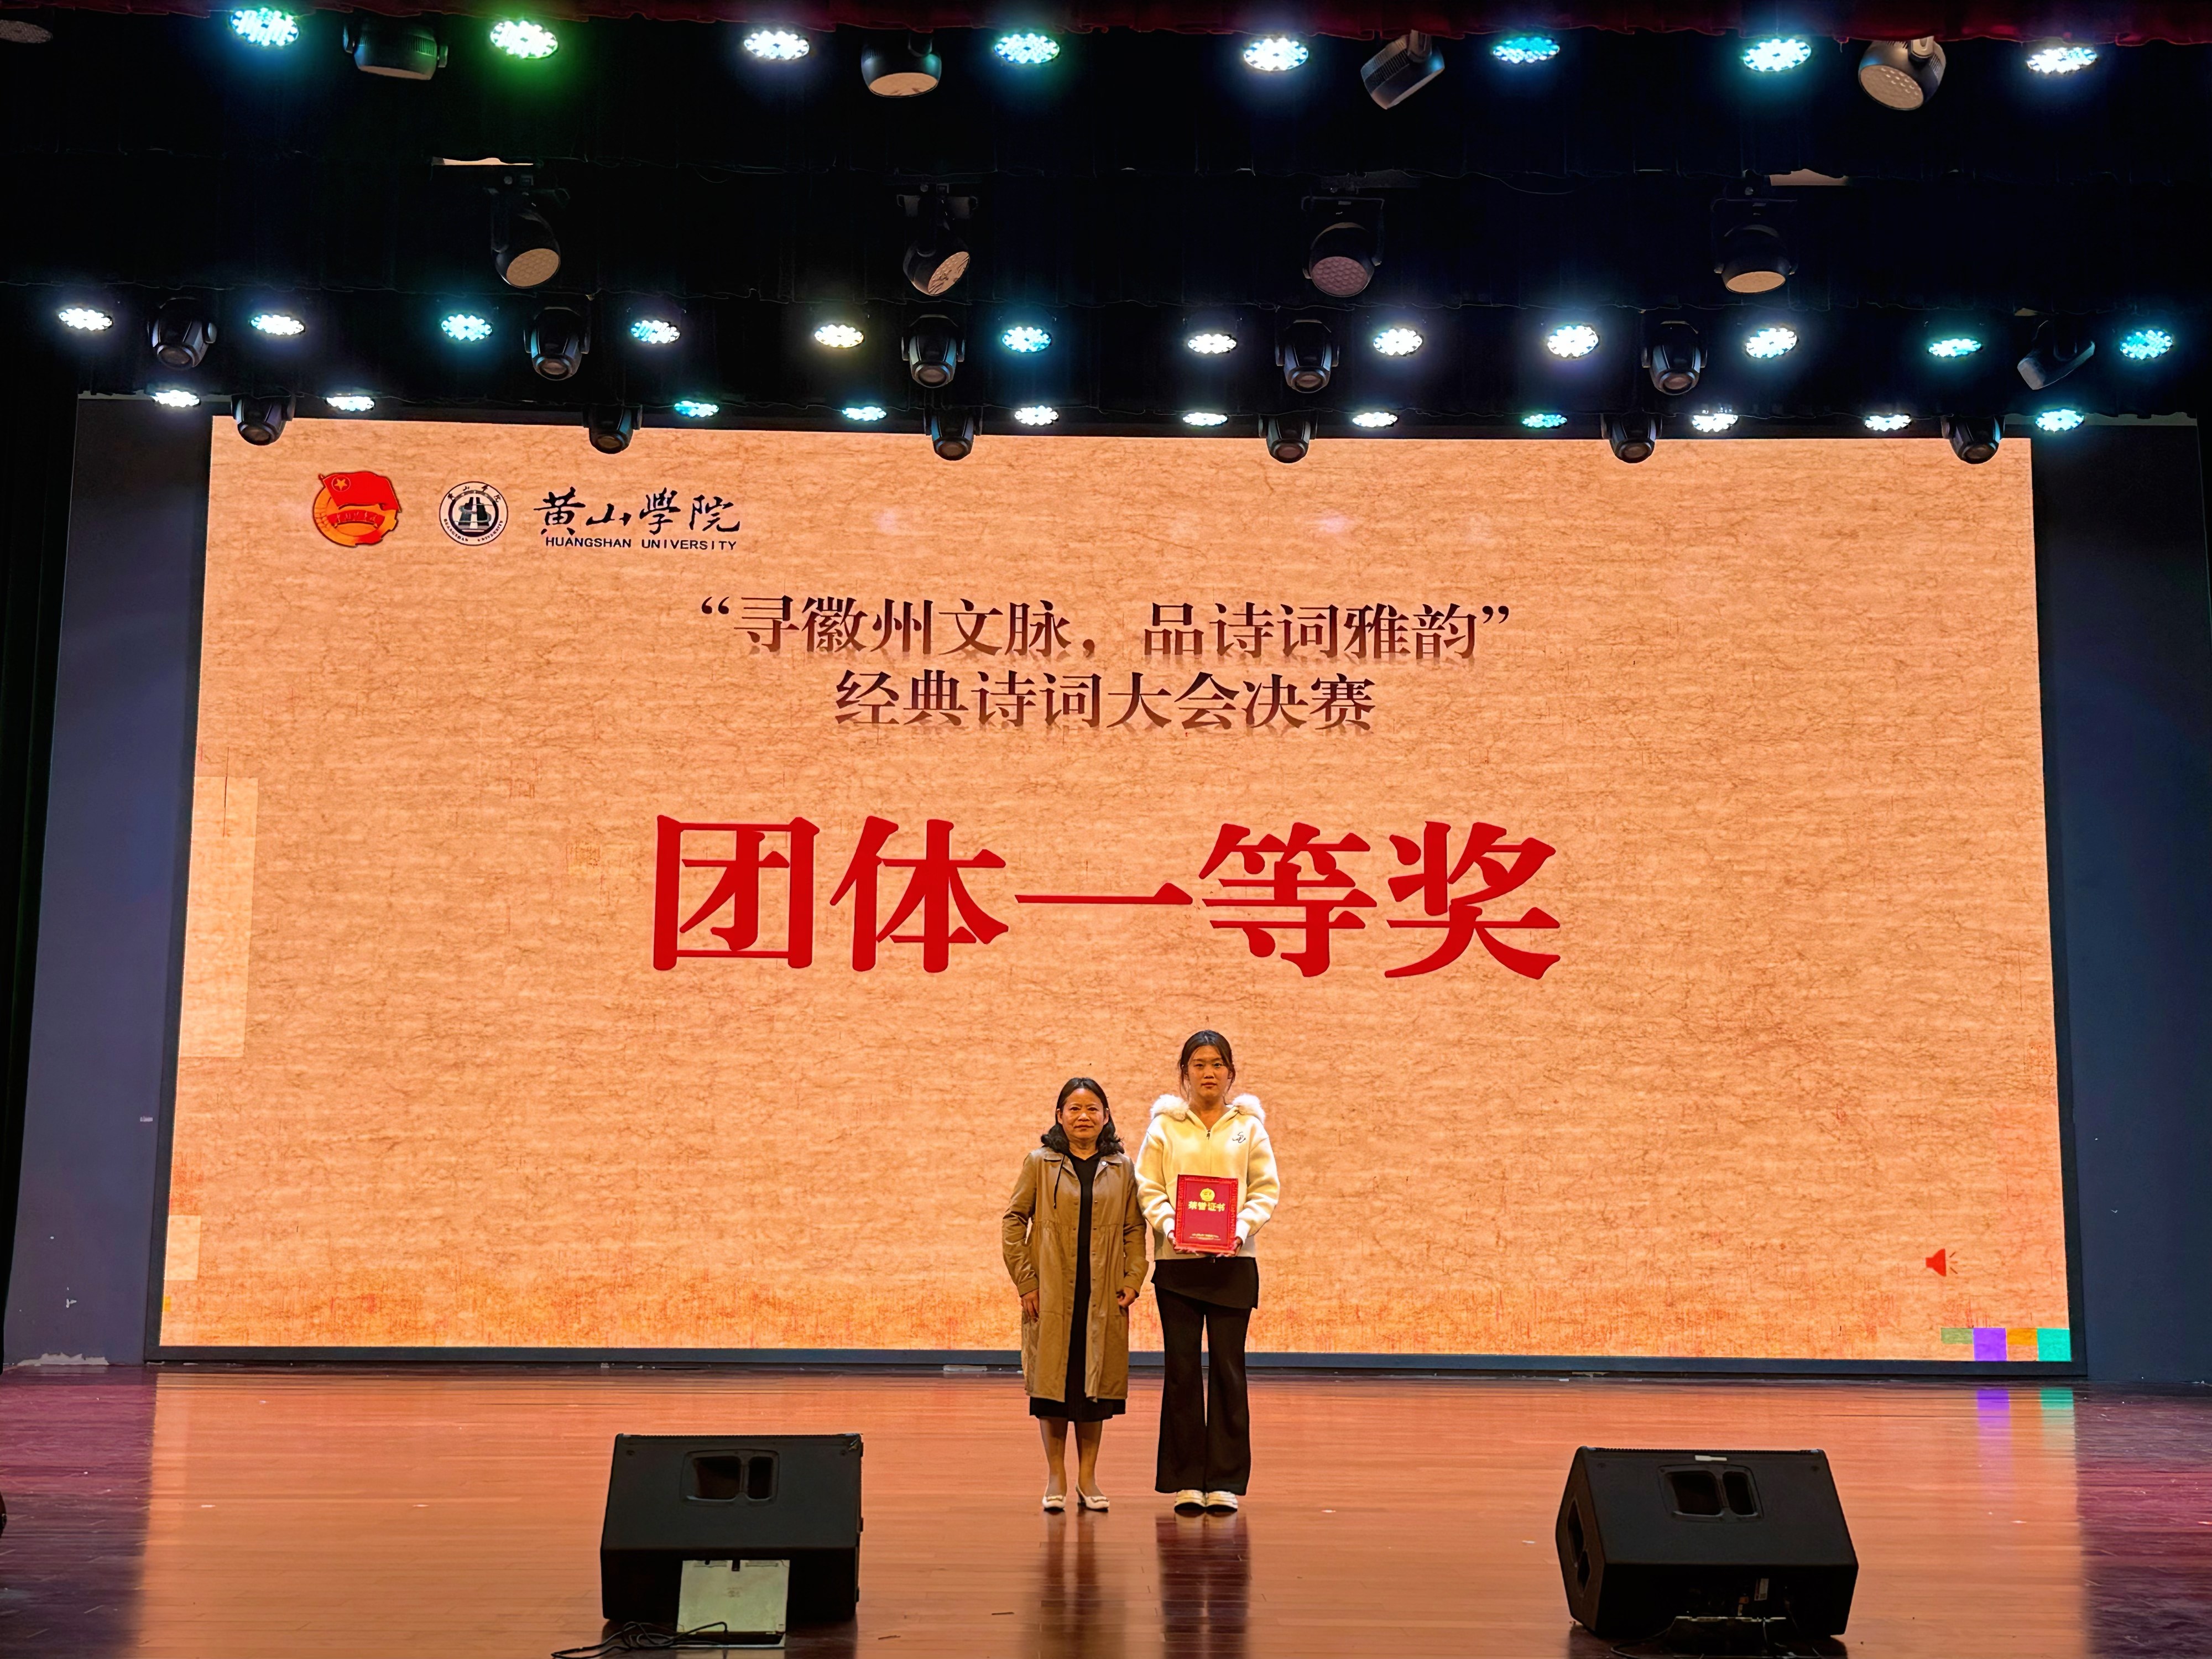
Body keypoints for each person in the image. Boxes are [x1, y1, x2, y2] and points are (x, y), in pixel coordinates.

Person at [1135, 1030, 1280, 1516]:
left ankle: (1224, 1481)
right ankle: (1185, 1481)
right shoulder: (1164, 1128)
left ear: (1231, 1072)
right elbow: (1148, 1186)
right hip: (1178, 1266)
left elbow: (1265, 1189)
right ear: (1185, 1073)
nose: (1208, 1073)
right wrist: (1172, 1227)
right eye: (1198, 1064)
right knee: (1180, 1373)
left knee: (1228, 1371)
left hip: (1234, 1265)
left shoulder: (1249, 1127)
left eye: (1217, 1064)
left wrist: (1238, 1230)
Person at [1003, 1077, 1148, 1512]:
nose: (1083, 1117)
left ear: (1106, 1116)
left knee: (1094, 1389)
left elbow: (1134, 1228)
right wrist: (1027, 1281)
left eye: (1092, 1109)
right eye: (1074, 1109)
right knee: (1053, 1386)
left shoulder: (1121, 1167)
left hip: (1102, 1292)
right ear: (1059, 1115)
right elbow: (1014, 1220)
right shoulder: (1040, 1163)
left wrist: (1134, 1277)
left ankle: (1088, 1477)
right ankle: (1056, 1477)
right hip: (1051, 1291)